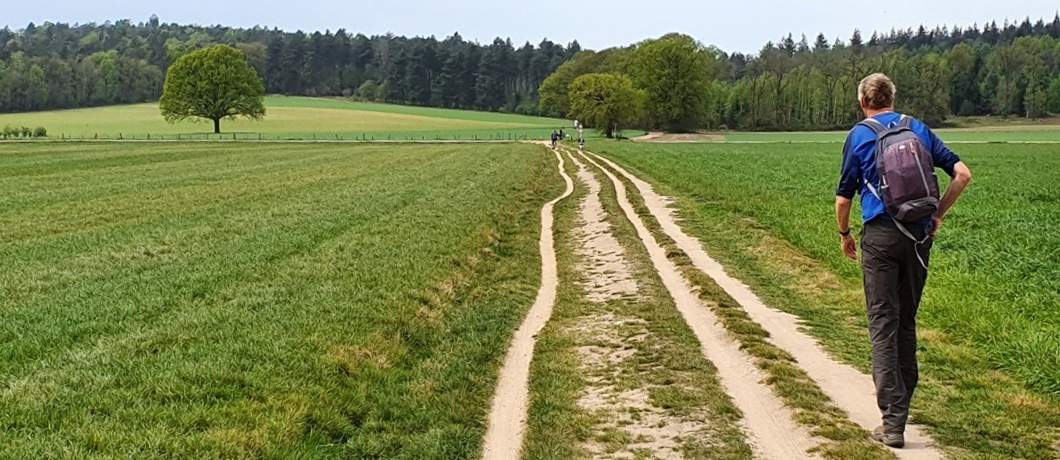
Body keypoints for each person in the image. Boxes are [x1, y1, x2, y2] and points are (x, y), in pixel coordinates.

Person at [834, 73, 972, 448]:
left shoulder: (860, 135)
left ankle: (893, 422)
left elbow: (844, 199)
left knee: (883, 323)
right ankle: (902, 410)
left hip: (879, 237)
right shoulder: (918, 129)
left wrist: (845, 234)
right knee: (906, 321)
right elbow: (962, 174)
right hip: (918, 237)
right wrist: (938, 214)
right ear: (892, 98)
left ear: (863, 101)